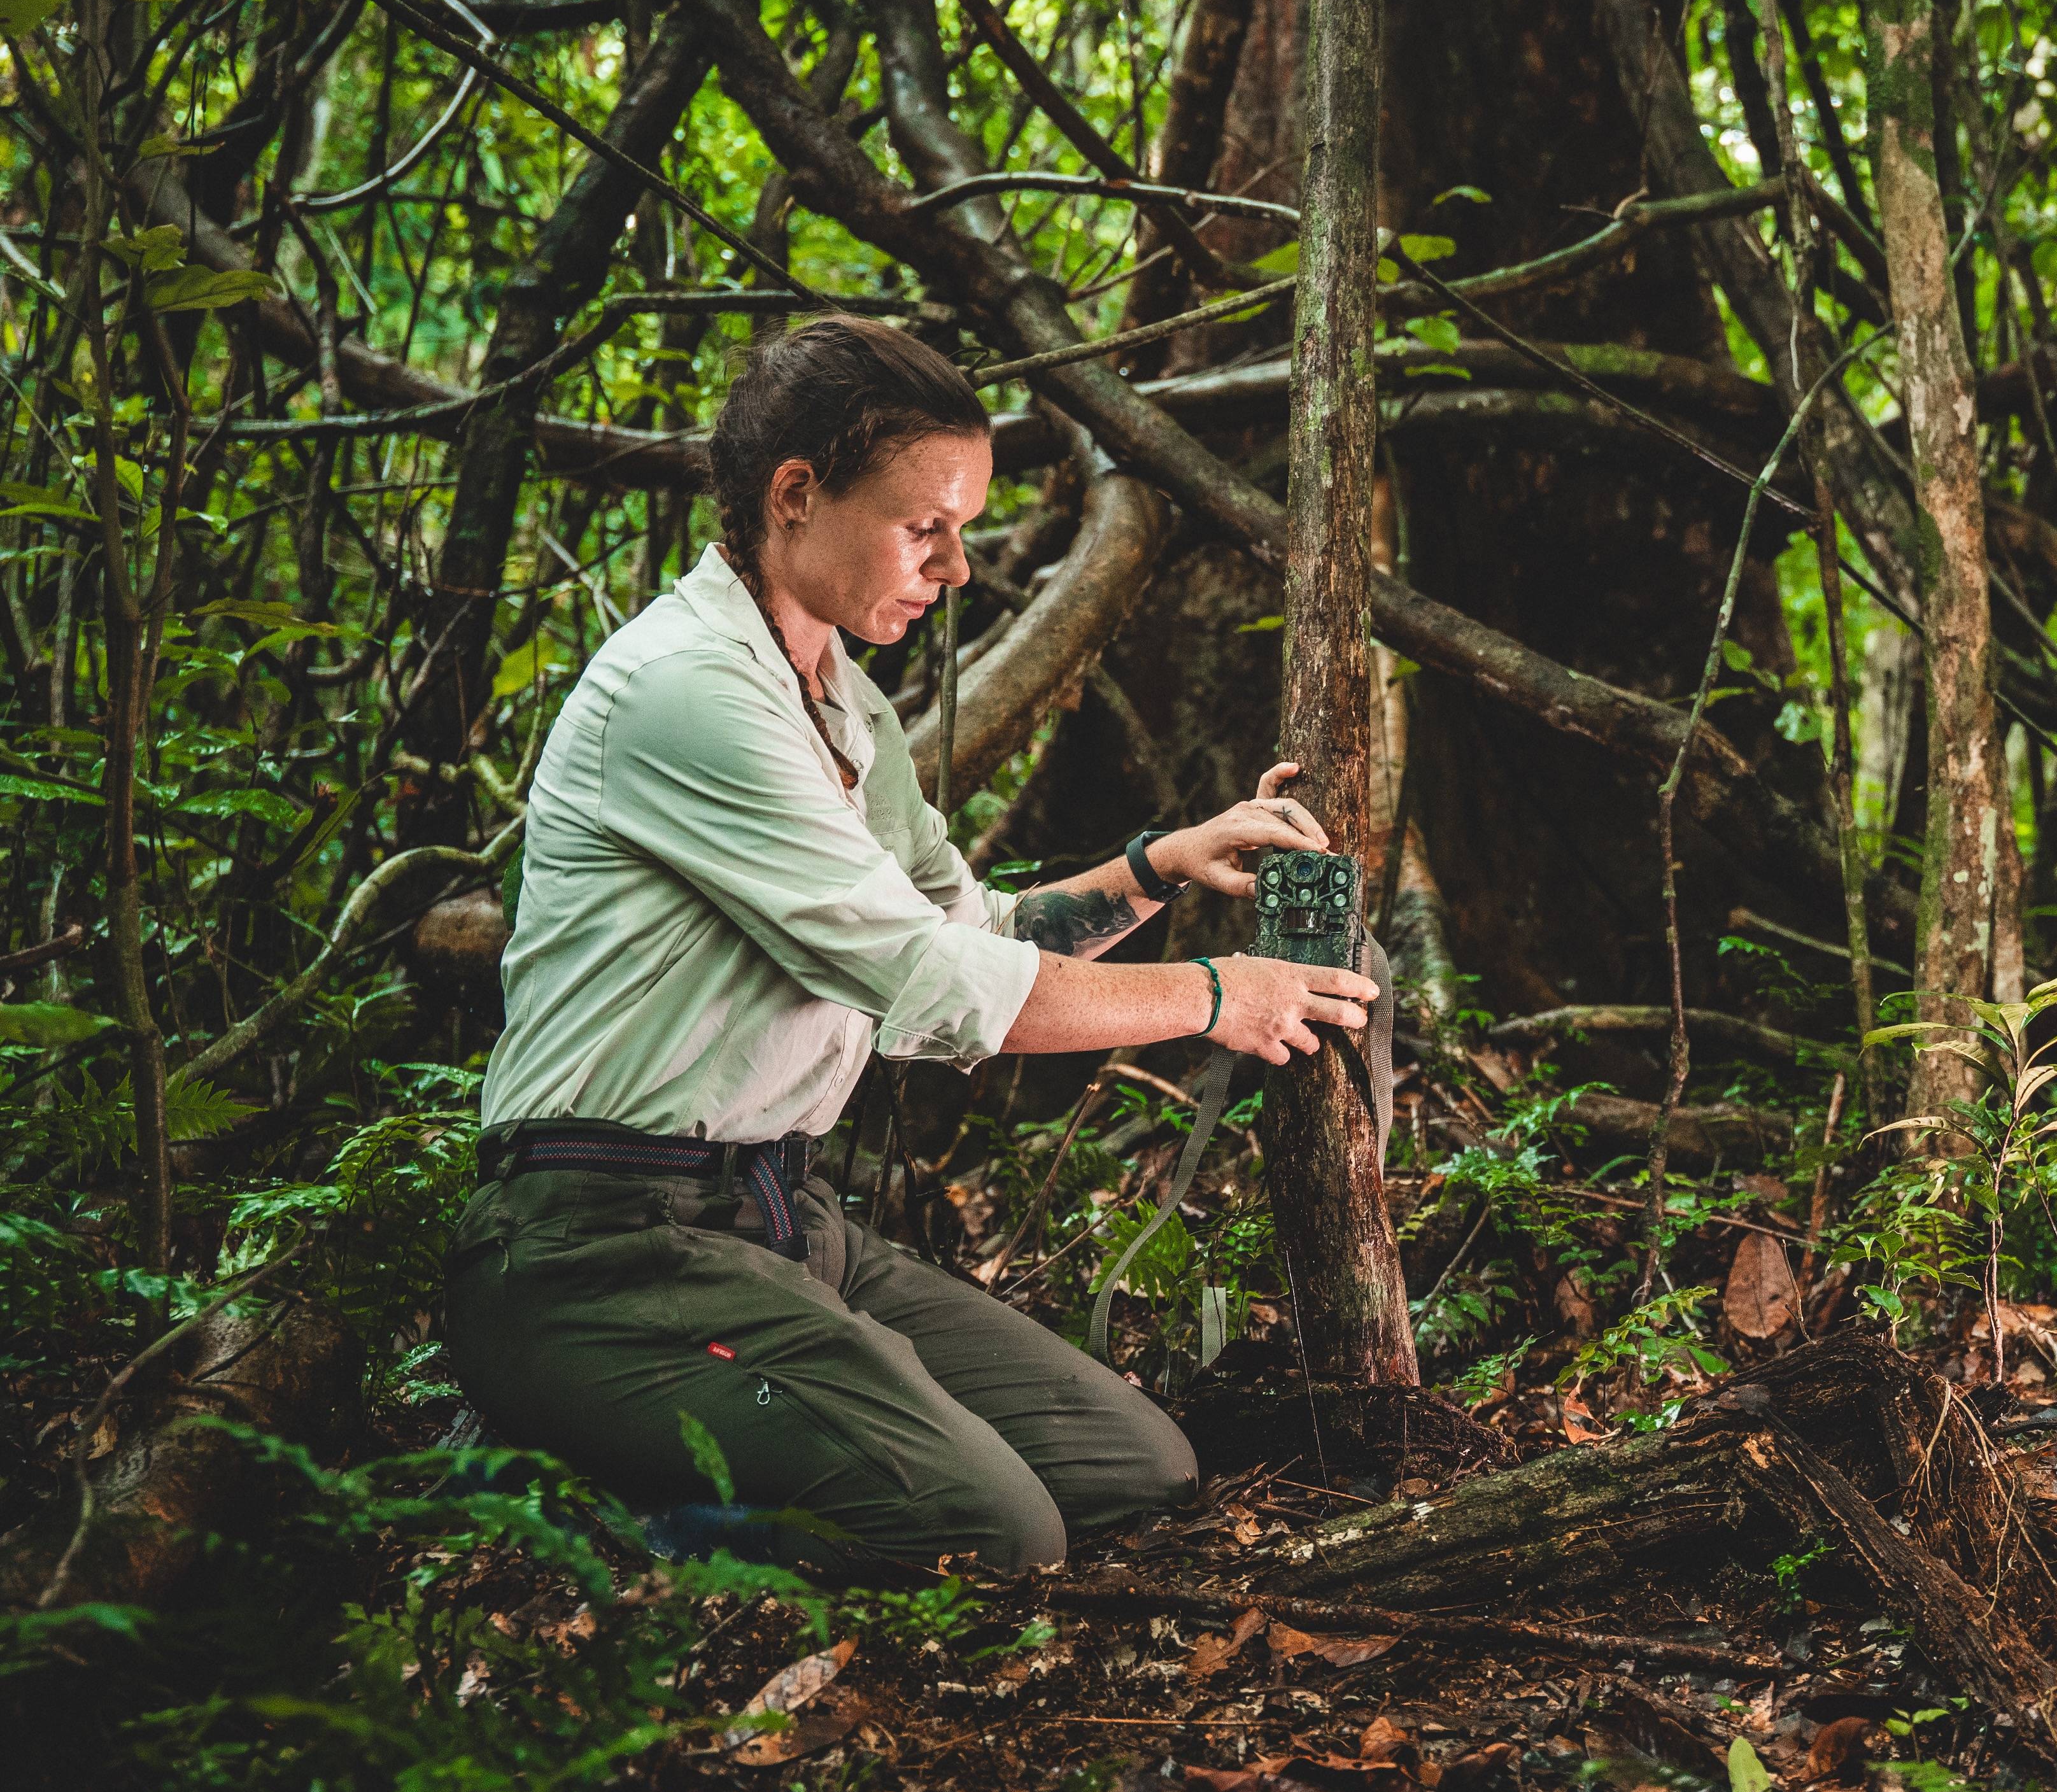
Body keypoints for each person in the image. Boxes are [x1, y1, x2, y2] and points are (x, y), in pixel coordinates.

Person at [444, 314, 1375, 1575]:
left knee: (1130, 1469)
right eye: (924, 526)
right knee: (991, 1530)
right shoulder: (687, 689)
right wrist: (1222, 996)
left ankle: (725, 1445)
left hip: (781, 1222)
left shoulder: (844, 705)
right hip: (602, 1248)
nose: (956, 565)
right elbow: (933, 986)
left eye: (964, 529)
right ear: (794, 495)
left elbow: (968, 931)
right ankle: (570, 1518)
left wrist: (1158, 867)